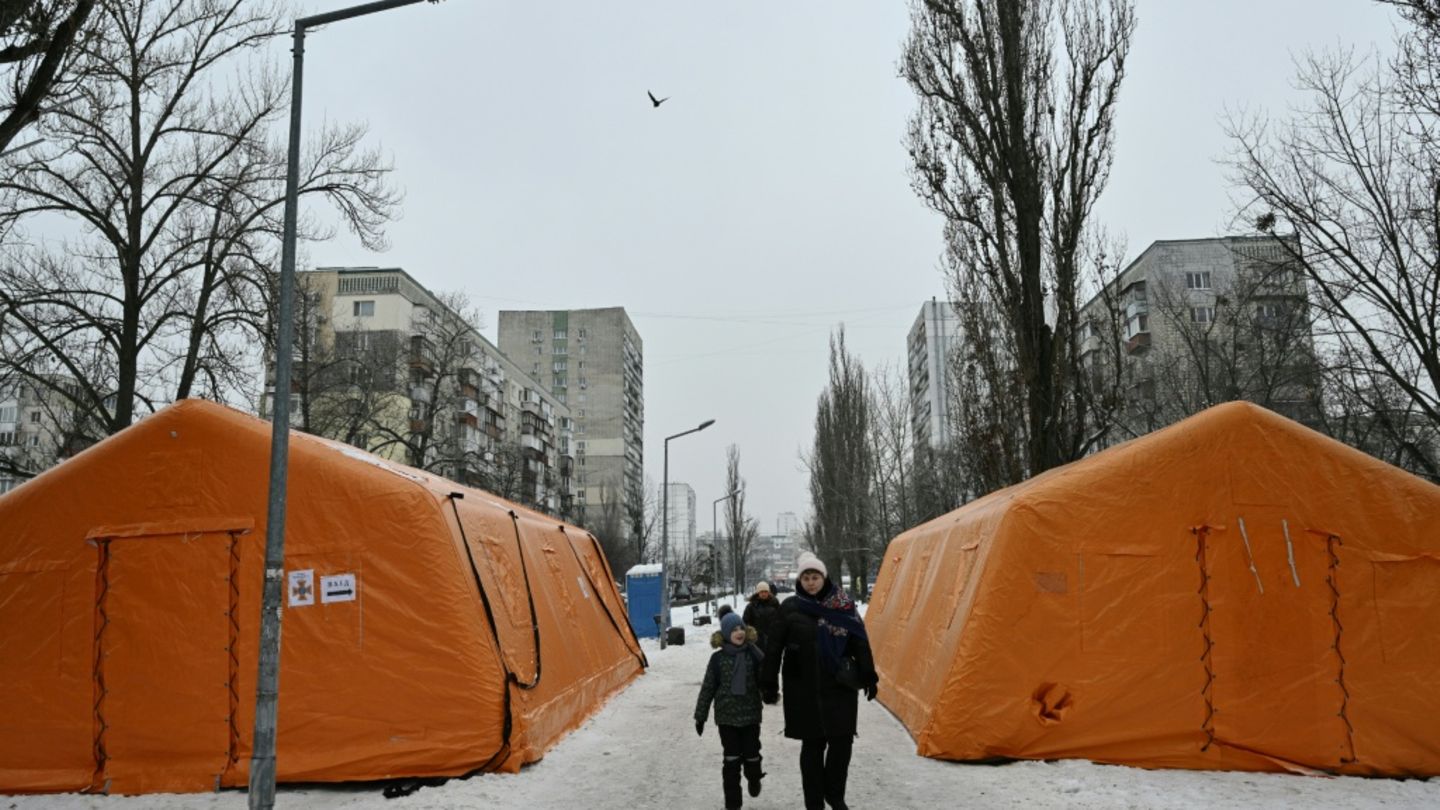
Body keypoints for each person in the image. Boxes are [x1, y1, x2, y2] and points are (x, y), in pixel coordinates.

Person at [761, 552, 877, 810]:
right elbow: (774, 647)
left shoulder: (843, 605)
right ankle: (814, 802)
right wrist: (768, 683)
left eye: (815, 577)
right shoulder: (790, 607)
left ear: (824, 578)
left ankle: (835, 795)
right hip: (803, 687)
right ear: (799, 580)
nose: (811, 582)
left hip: (839, 685)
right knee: (812, 746)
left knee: (842, 742)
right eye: (806, 577)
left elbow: (860, 641)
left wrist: (869, 675)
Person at [695, 611, 767, 809]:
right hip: (726, 718)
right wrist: (700, 716)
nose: (739, 632)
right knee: (731, 760)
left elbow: (765, 679)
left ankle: (754, 778)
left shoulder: (754, 654)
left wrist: (769, 689)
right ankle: (733, 804)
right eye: (734, 629)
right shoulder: (717, 659)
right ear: (726, 633)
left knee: (752, 755)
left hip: (751, 715)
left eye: (741, 628)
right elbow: (708, 687)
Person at [742, 580, 781, 651]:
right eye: (761, 592)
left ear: (768, 592)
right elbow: (745, 622)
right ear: (758, 593)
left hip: (771, 640)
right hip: (756, 641)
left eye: (765, 591)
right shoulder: (751, 606)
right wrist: (750, 634)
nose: (763, 594)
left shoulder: (775, 604)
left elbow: (781, 620)